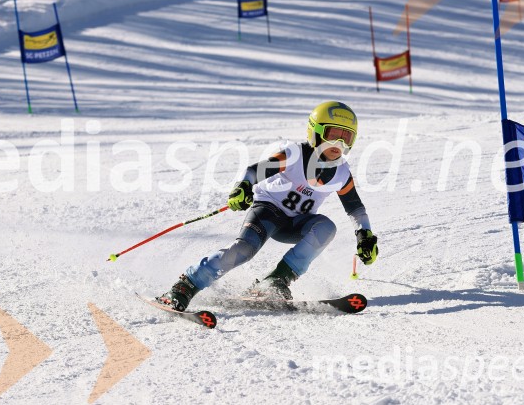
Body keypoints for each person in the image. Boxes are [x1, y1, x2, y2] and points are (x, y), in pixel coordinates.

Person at [157, 101, 379, 311]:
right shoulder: (296, 154)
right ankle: (185, 286)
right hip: (268, 213)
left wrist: (365, 236)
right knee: (243, 250)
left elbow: (355, 208)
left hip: (295, 223)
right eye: (333, 135)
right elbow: (255, 170)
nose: (338, 144)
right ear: (316, 132)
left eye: (345, 137)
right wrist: (243, 186)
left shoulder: (341, 172)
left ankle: (275, 281)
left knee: (326, 227)